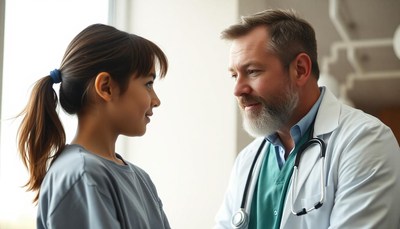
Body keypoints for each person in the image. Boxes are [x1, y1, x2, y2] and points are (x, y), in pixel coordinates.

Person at [214, 9, 400, 229]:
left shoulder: (366, 141)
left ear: (300, 70)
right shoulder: (248, 160)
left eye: (253, 71)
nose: (237, 89)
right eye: (234, 75)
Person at [17, 24, 170, 229]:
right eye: (148, 84)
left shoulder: (142, 179)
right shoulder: (82, 174)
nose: (156, 100)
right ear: (105, 87)